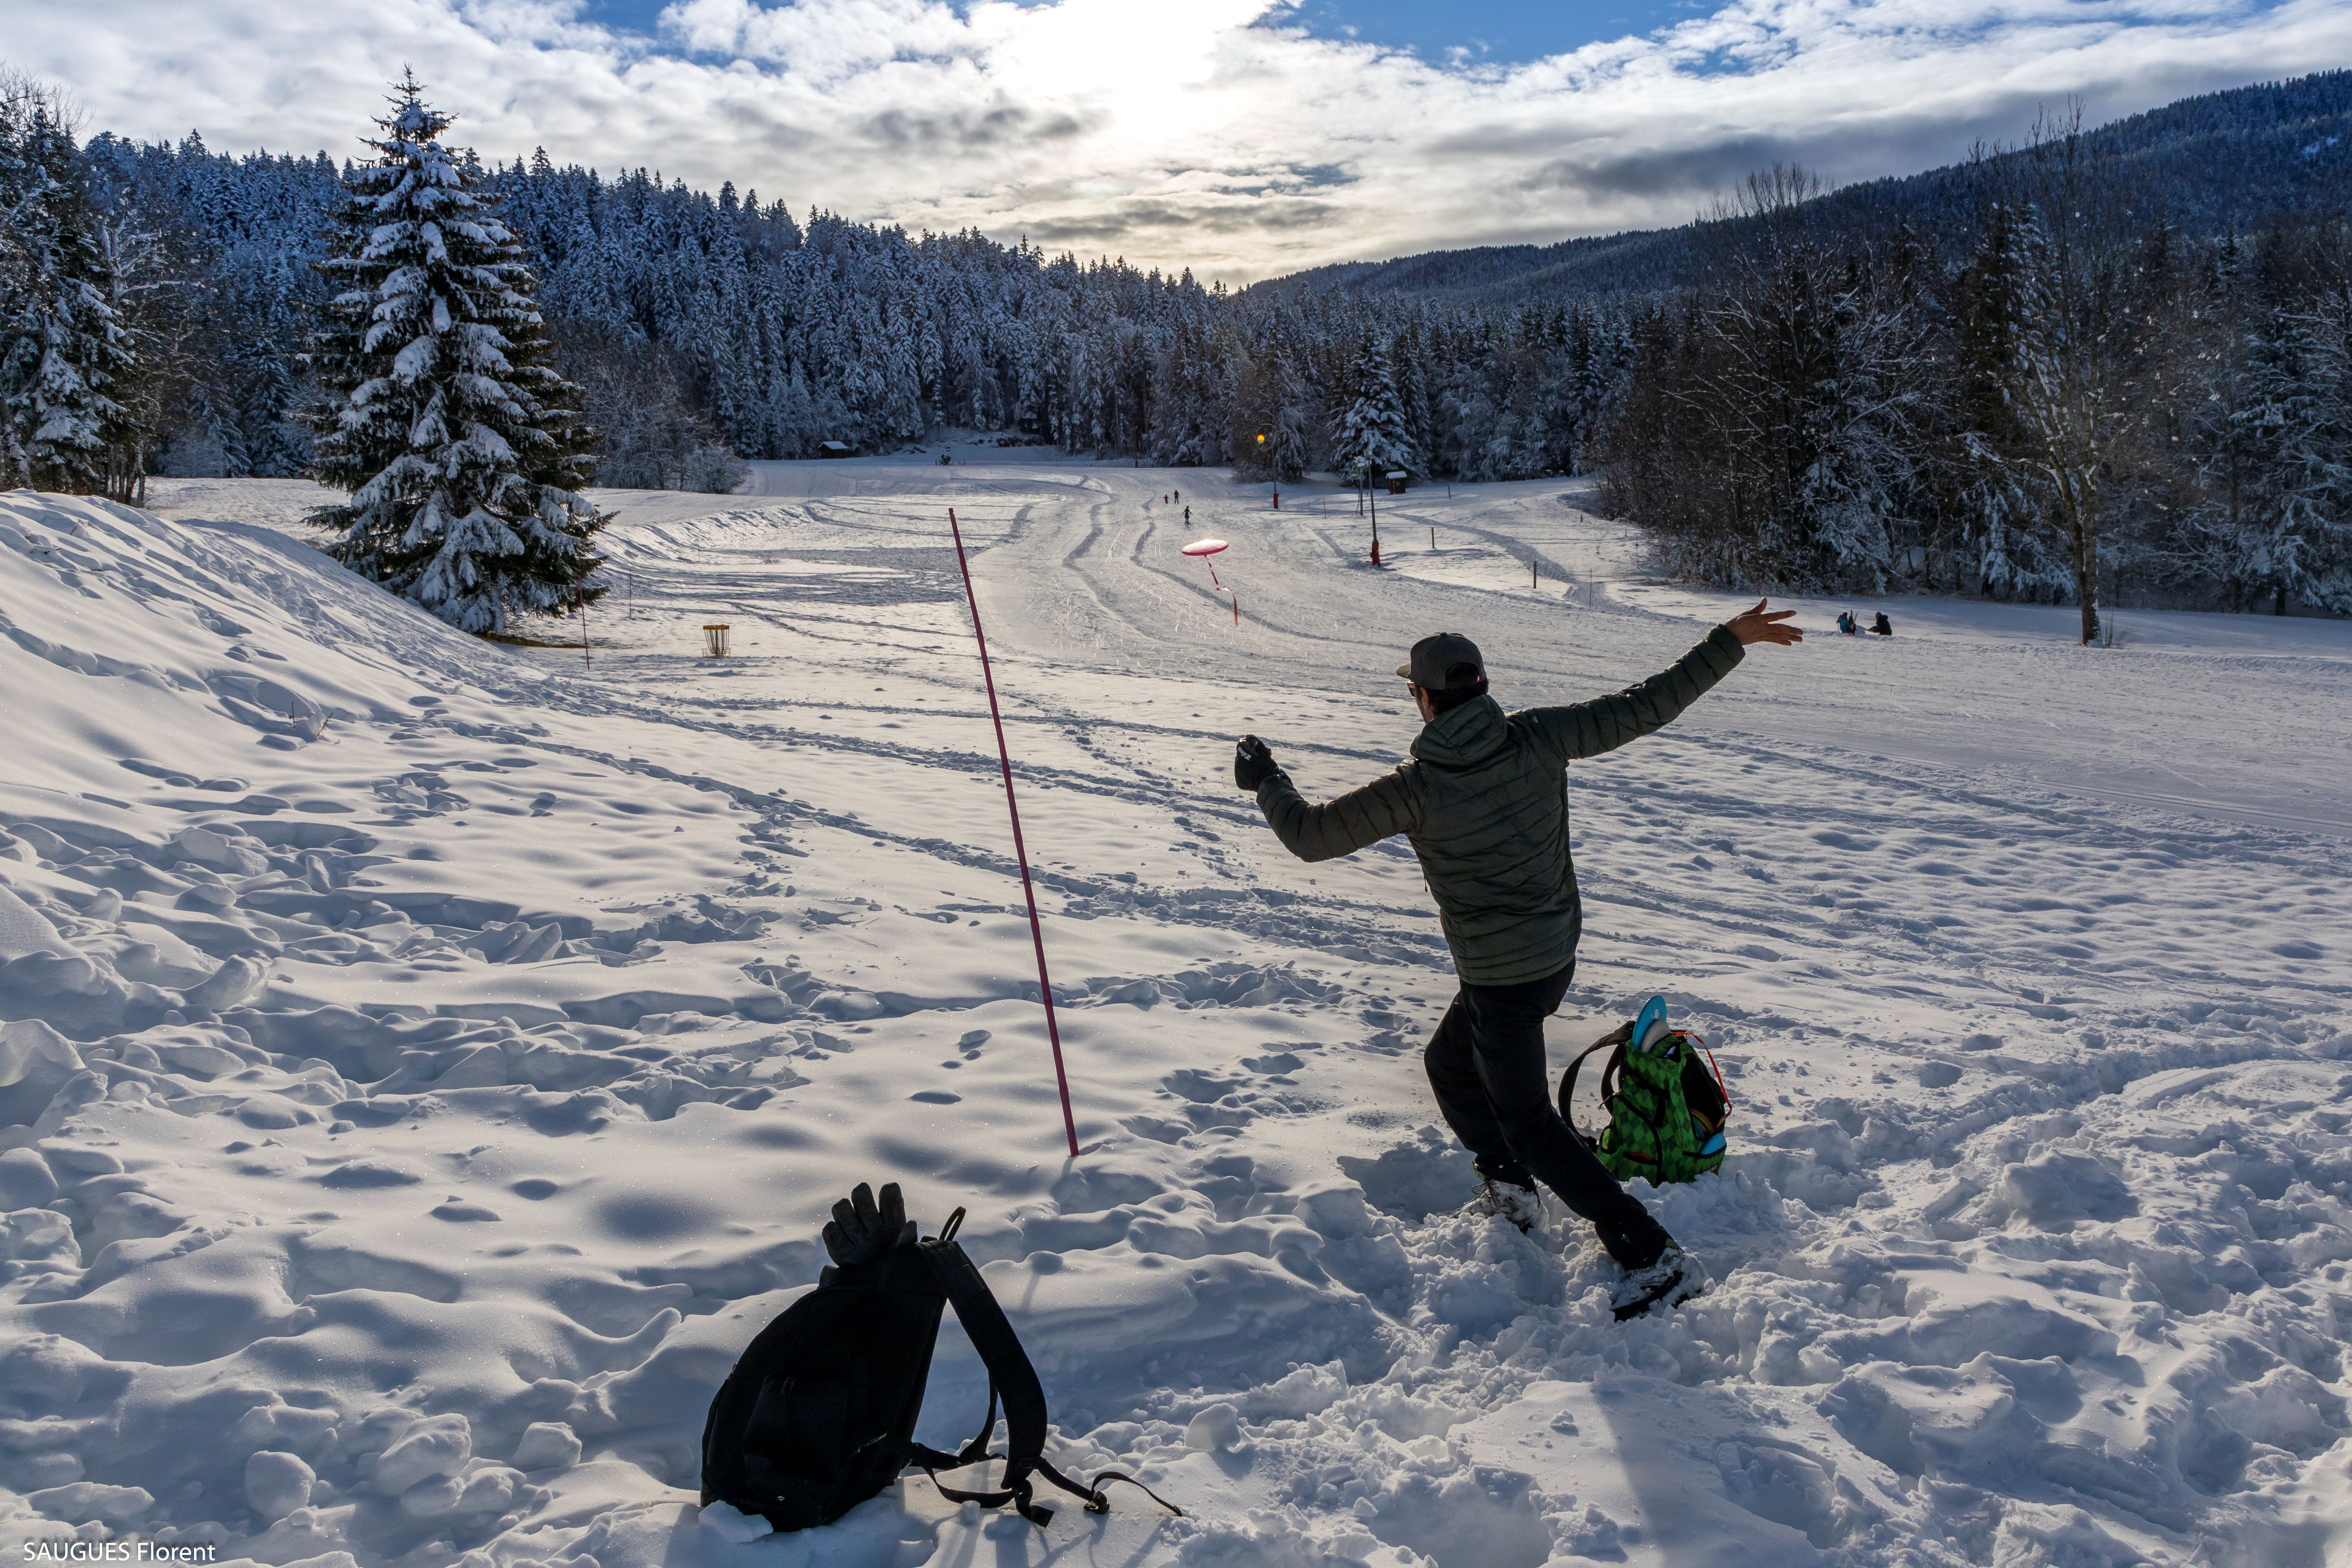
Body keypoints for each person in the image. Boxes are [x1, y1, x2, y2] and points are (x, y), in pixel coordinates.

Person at [1232, 604, 1802, 1318]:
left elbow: (1311, 837)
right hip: (1550, 956)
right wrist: (1726, 642)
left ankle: (1650, 1252)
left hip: (1502, 979)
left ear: (1425, 698)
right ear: (1482, 685)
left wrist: (1266, 782)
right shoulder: (1539, 736)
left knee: (1529, 1121)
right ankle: (1510, 1186)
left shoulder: (1416, 788)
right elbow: (1646, 706)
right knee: (1449, 1066)